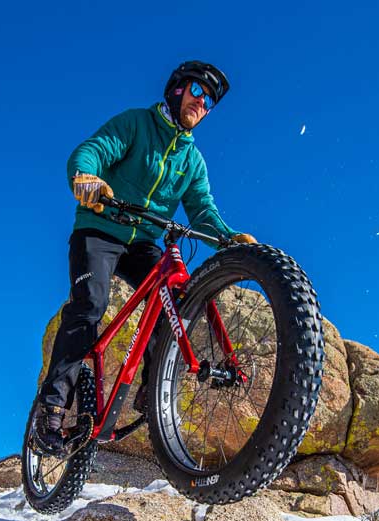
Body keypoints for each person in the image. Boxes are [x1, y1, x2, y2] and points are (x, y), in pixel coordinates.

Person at [33, 60, 257, 457]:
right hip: (100, 227)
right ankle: (51, 407)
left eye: (209, 103)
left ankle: (151, 393)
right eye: (197, 92)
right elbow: (93, 151)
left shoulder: (192, 161)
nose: (202, 103)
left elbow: (202, 208)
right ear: (177, 90)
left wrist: (228, 238)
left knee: (177, 305)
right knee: (90, 305)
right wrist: (87, 178)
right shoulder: (136, 123)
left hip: (144, 243)